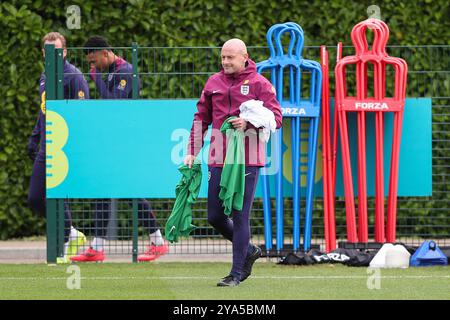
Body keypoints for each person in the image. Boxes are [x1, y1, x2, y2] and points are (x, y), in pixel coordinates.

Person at [184, 38, 282, 286]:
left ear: (244, 56)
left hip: (247, 157)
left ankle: (236, 273)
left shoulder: (260, 84)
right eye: (223, 58)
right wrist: (192, 150)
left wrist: (248, 123)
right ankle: (249, 250)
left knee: (240, 214)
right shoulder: (213, 82)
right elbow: (200, 118)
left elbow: (277, 118)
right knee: (215, 216)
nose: (225, 62)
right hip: (217, 154)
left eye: (230, 57)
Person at [70, 35, 168, 262]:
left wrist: (96, 78)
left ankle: (158, 242)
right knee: (105, 191)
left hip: (127, 141)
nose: (92, 66)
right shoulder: (113, 71)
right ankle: (98, 247)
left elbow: (113, 104)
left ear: (105, 53)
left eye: (94, 61)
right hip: (115, 141)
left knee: (129, 191)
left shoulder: (125, 71)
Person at [27, 32, 89, 264]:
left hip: (64, 147)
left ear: (65, 52)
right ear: (44, 53)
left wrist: (74, 145)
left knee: (58, 195)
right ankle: (71, 233)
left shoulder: (74, 76)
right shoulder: (45, 75)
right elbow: (43, 110)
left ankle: (65, 244)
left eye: (57, 50)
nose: (52, 54)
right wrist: (35, 137)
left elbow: (83, 113)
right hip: (45, 146)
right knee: (35, 198)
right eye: (47, 50)